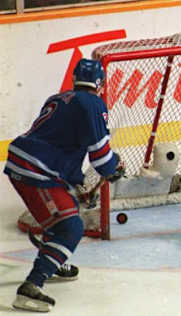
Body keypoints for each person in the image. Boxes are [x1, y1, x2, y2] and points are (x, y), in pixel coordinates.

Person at [4, 58, 125, 312]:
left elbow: (59, 144)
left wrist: (77, 181)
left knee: (66, 210)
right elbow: (101, 158)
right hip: (36, 170)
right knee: (70, 228)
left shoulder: (58, 98)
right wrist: (114, 168)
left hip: (22, 161)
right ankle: (31, 287)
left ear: (74, 79)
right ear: (100, 84)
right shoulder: (93, 104)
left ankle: (54, 262)